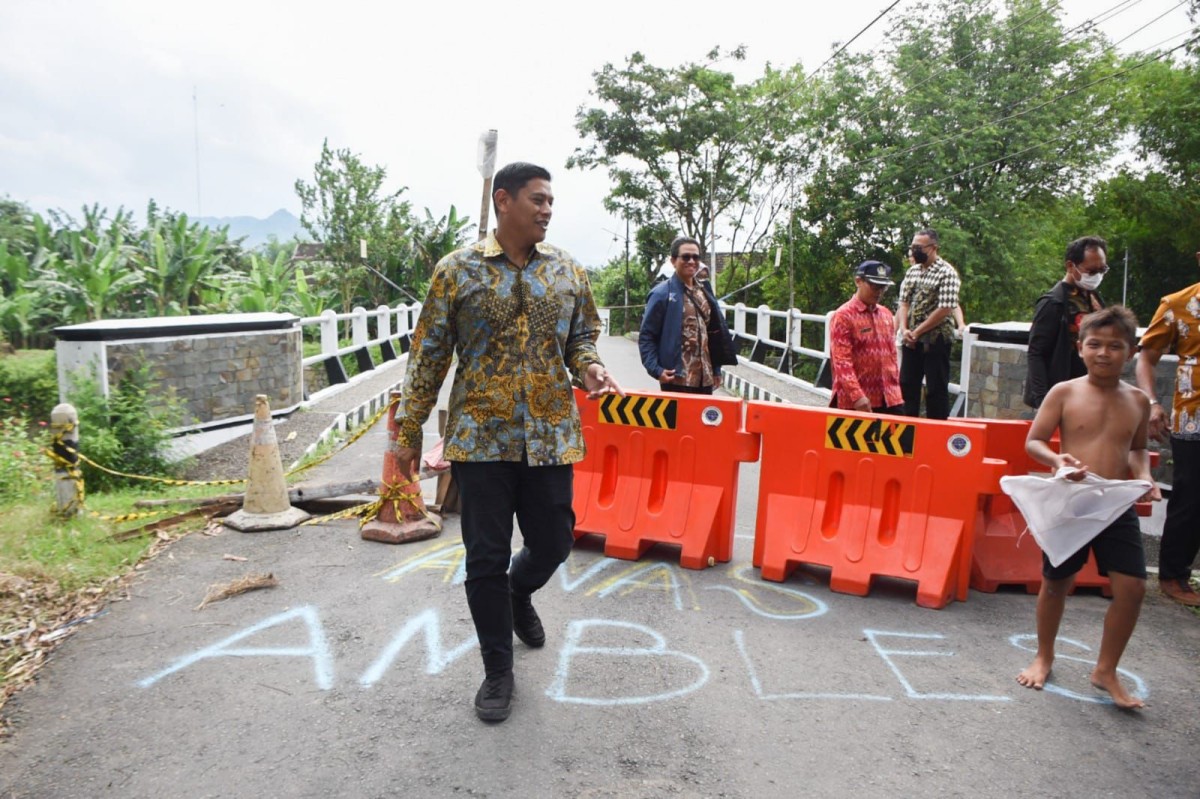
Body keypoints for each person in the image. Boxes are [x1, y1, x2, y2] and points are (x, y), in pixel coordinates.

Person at [393, 162, 624, 723]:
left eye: (551, 201)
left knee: (554, 542)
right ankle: (498, 669)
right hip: (481, 440)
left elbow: (581, 338)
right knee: (485, 558)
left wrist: (589, 368)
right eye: (538, 200)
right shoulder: (457, 271)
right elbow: (429, 356)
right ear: (504, 201)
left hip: (549, 434)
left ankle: (521, 594)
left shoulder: (568, 270)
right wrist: (409, 434)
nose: (547, 209)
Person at [1015, 306, 1160, 710]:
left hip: (1116, 502)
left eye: (1115, 346)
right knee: (1057, 582)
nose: (1104, 353)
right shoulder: (1064, 391)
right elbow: (1035, 441)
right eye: (1095, 344)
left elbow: (1137, 449)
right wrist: (1058, 461)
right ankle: (1044, 656)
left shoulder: (1137, 400)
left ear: (1130, 352)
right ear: (1080, 348)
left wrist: (1144, 477)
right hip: (1072, 500)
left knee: (1132, 588)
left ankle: (1106, 669)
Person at [1135, 250, 1200, 607]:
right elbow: (1145, 357)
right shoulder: (1177, 304)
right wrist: (1152, 403)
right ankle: (1174, 575)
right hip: (1194, 417)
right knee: (1191, 497)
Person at [639, 236, 734, 395]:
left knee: (703, 420)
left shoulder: (704, 292)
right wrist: (656, 369)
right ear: (673, 260)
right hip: (677, 379)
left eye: (695, 257)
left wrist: (716, 369)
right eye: (686, 257)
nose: (691, 261)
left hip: (705, 379)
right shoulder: (662, 294)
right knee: (678, 420)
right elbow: (647, 335)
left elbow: (712, 333)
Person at [1024, 236, 1108, 409]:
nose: (1097, 276)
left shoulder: (1094, 297)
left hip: (1090, 393)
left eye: (1102, 270)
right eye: (1091, 271)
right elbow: (1036, 352)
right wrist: (1043, 401)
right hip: (1062, 395)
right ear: (1071, 266)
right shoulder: (1053, 303)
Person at [896, 228, 961, 419]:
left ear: (933, 248)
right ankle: (907, 432)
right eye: (913, 246)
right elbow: (904, 302)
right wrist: (904, 329)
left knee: (936, 389)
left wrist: (918, 331)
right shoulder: (913, 271)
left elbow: (945, 308)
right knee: (907, 385)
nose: (914, 251)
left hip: (936, 340)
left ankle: (936, 433)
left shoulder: (947, 273)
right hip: (911, 340)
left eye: (918, 247)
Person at [828, 260, 903, 413]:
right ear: (858, 281)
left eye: (883, 287)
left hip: (890, 398)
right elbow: (841, 362)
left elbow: (892, 356)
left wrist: (897, 391)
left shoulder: (886, 315)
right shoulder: (843, 316)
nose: (879, 292)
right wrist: (857, 396)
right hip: (856, 401)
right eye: (874, 286)